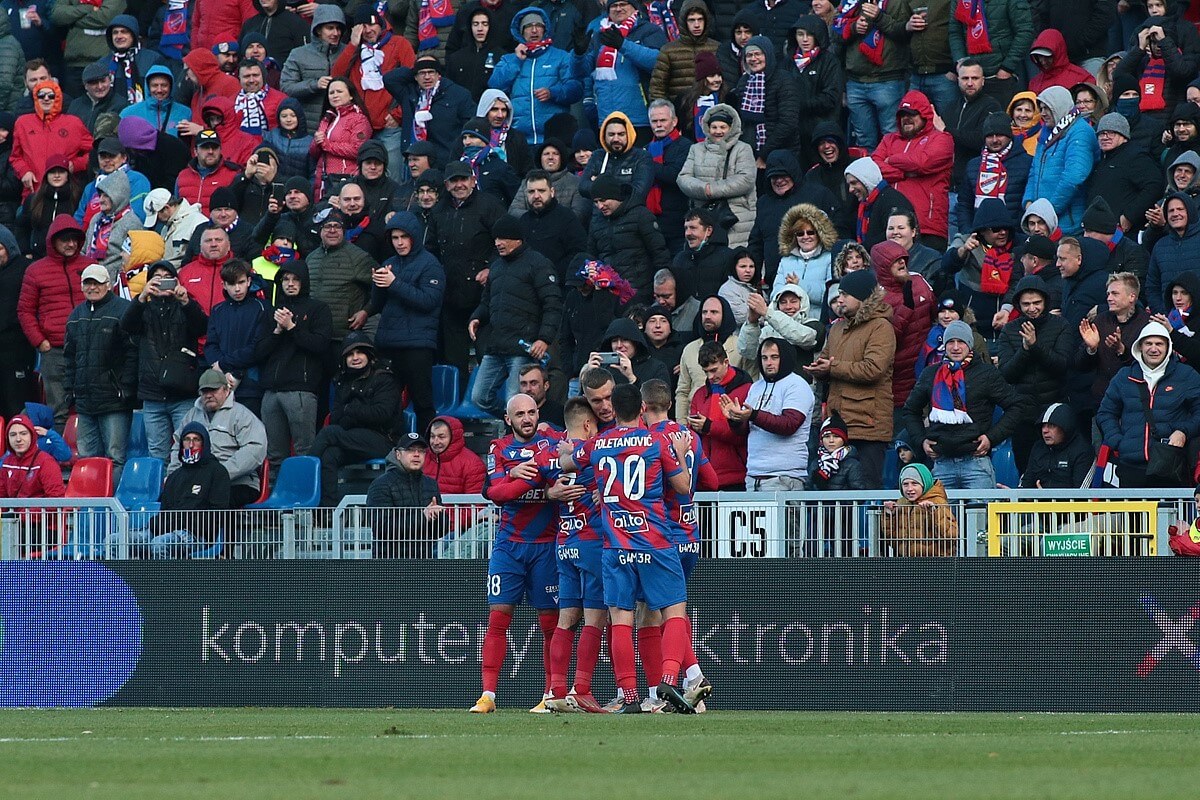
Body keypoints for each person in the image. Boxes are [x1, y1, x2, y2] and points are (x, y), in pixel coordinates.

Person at [555, 382, 697, 713]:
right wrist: (678, 455)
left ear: (614, 411)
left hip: (615, 546)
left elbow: (567, 462)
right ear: (643, 409)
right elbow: (683, 487)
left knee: (621, 618)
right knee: (673, 611)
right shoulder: (656, 440)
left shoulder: (597, 443)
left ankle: (629, 696)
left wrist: (565, 449)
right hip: (655, 540)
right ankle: (668, 679)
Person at [470, 392, 561, 714]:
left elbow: (560, 479)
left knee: (551, 625)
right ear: (508, 420)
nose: (527, 418)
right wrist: (536, 480)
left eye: (532, 411)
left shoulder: (554, 443)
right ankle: (488, 695)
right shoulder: (499, 448)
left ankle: (549, 695)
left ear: (539, 413)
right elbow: (496, 494)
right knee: (497, 619)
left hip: (547, 547)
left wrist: (524, 474)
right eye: (519, 414)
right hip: (509, 546)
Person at [902, 319, 1027, 490]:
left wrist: (992, 438)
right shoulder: (930, 374)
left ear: (970, 344)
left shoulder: (986, 374)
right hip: (941, 463)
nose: (955, 347)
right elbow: (910, 410)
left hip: (977, 463)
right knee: (943, 518)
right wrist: (921, 441)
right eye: (950, 342)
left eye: (960, 342)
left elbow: (1016, 406)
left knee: (980, 516)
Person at [541, 396, 607, 713]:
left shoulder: (555, 457)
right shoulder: (591, 457)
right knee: (596, 618)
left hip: (563, 543)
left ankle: (555, 691)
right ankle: (581, 689)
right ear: (586, 424)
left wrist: (548, 491)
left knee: (566, 620)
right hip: (591, 544)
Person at [805, 269, 895, 487]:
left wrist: (832, 367)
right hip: (839, 426)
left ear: (862, 297)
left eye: (845, 294)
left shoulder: (881, 327)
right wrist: (819, 369)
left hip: (868, 427)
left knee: (867, 489)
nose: (840, 299)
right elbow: (827, 360)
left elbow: (873, 369)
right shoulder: (837, 328)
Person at [467, 214, 561, 416]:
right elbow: (487, 301)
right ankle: (512, 422)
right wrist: (476, 317)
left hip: (523, 348)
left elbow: (552, 304)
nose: (497, 243)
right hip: (496, 346)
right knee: (479, 397)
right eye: (495, 239)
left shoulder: (538, 264)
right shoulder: (496, 266)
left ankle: (517, 431)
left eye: (502, 238)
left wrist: (544, 339)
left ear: (517, 239)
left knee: (516, 400)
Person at [121, 261, 208, 461]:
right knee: (157, 453)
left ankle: (181, 490)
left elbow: (202, 328)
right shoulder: (143, 308)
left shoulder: (185, 305)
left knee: (188, 450)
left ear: (176, 280)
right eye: (156, 277)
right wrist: (142, 297)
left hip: (182, 392)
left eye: (166, 277)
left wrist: (186, 302)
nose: (161, 282)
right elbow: (126, 326)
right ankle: (158, 491)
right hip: (152, 394)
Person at [254, 256, 331, 483]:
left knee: (304, 451)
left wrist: (292, 328)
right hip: (271, 391)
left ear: (304, 281)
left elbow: (320, 345)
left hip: (301, 390)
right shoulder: (271, 311)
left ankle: (305, 509)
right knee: (275, 455)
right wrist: (278, 331)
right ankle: (280, 508)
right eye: (285, 279)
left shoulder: (318, 309)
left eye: (295, 279)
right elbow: (258, 351)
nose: (289, 283)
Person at [1097, 320, 1200, 488]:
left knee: (1169, 513)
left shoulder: (1187, 375)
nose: (1154, 349)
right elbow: (1105, 413)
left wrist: (1183, 431)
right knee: (1133, 515)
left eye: (1159, 343)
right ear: (1140, 347)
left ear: (1168, 347)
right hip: (1130, 466)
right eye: (1148, 343)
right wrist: (1117, 441)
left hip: (1170, 464)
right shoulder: (1124, 376)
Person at [426, 161, 505, 377]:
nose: (459, 184)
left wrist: (491, 268)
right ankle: (457, 404)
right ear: (446, 184)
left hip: (484, 294)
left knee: (487, 354)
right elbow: (430, 249)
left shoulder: (490, 205)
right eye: (454, 180)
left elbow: (505, 241)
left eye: (463, 179)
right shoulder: (438, 211)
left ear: (473, 180)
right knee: (454, 358)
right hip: (450, 294)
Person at [370, 212, 445, 434]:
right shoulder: (389, 263)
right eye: (395, 238)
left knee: (422, 403)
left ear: (415, 237)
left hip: (417, 345)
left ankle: (428, 450)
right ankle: (395, 449)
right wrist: (378, 282)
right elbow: (378, 303)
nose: (399, 242)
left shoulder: (430, 264)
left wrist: (394, 283)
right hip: (388, 344)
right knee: (387, 403)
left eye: (404, 237)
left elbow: (428, 301)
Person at [63, 263, 136, 483]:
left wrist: (126, 388)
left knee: (115, 457)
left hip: (114, 400)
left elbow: (132, 353)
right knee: (87, 458)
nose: (92, 287)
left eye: (97, 283)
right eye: (88, 283)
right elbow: (69, 357)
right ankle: (92, 510)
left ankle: (113, 510)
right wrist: (70, 391)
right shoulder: (76, 315)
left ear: (107, 285)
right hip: (85, 401)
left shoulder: (123, 309)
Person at [17, 215, 90, 430]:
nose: (71, 244)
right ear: (52, 241)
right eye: (65, 239)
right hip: (55, 350)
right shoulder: (35, 270)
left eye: (74, 239)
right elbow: (25, 311)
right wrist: (40, 342)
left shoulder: (90, 266)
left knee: (92, 406)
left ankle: (89, 458)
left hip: (90, 347)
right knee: (58, 409)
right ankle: (60, 459)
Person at [994, 276, 1075, 471]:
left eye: (1037, 303)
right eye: (1026, 304)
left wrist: (1035, 346)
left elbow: (1062, 365)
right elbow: (1006, 374)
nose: (1032, 308)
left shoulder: (1060, 325)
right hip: (1023, 415)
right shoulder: (1010, 330)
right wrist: (1025, 349)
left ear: (1045, 301)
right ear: (1018, 305)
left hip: (1055, 412)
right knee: (1027, 470)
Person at [311, 333, 401, 507]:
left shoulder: (384, 379)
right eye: (350, 355)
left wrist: (351, 411)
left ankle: (305, 479)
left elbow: (382, 414)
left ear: (369, 355)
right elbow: (336, 415)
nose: (355, 358)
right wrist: (350, 416)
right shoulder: (341, 381)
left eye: (359, 352)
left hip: (384, 440)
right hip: (354, 438)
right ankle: (327, 512)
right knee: (330, 456)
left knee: (329, 433)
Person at [331, 7, 416, 180]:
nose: (368, 30)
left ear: (380, 23)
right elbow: (337, 77)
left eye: (372, 24)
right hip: (360, 126)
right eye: (363, 26)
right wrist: (353, 44)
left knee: (393, 176)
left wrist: (398, 114)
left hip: (389, 126)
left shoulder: (399, 44)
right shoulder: (354, 49)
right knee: (361, 177)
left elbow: (413, 80)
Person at [168, 368, 267, 509]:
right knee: (168, 500)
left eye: (213, 390)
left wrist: (218, 475)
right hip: (195, 483)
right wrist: (174, 476)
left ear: (226, 390)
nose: (208, 395)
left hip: (238, 483)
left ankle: (199, 532)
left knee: (205, 503)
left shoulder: (242, 415)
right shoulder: (191, 416)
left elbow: (255, 449)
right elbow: (178, 446)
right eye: (204, 391)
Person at [724, 337, 815, 490]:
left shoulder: (797, 385)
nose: (768, 362)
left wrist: (753, 415)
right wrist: (735, 419)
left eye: (774, 357)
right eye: (764, 358)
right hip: (753, 476)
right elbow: (746, 430)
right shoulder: (756, 387)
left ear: (784, 358)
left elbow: (789, 425)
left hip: (784, 477)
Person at [872, 90, 955, 251]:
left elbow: (923, 162)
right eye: (903, 114)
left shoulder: (942, 138)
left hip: (927, 227)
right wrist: (903, 173)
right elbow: (874, 168)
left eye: (912, 114)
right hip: (892, 228)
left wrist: (891, 160)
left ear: (924, 115)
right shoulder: (889, 139)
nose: (906, 118)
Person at [487, 7, 580, 144]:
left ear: (545, 29)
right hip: (520, 139)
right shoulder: (509, 59)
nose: (534, 30)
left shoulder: (561, 57)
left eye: (538, 26)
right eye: (529, 26)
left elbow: (575, 89)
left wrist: (552, 93)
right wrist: (516, 60)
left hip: (554, 139)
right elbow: (494, 86)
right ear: (521, 32)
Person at [580, 0, 667, 136]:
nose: (618, 9)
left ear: (634, 8)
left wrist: (622, 45)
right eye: (614, 6)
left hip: (640, 120)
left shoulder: (649, 30)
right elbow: (582, 71)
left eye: (623, 4)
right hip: (607, 121)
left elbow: (658, 62)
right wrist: (577, 54)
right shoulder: (599, 35)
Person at [1022, 86, 1101, 236]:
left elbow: (1074, 177)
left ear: (1059, 106)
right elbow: (1034, 171)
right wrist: (1029, 202)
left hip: (1068, 224)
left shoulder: (1080, 131)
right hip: (1043, 222)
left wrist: (1048, 211)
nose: (1043, 113)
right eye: (1041, 108)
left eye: (1047, 108)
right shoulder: (1046, 133)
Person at [676, 104, 756, 248]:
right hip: (702, 216)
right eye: (714, 127)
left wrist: (712, 190)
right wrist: (703, 189)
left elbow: (746, 179)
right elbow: (683, 178)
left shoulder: (743, 149)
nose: (718, 131)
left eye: (723, 127)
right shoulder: (696, 149)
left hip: (736, 217)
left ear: (731, 128)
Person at [835, 0, 908, 150]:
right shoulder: (850, 2)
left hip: (888, 80)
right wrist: (853, 28)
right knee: (863, 142)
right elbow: (834, 34)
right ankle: (866, 174)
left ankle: (891, 173)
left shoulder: (897, 2)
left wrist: (879, 17)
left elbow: (904, 33)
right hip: (855, 81)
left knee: (892, 137)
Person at [871, 240, 935, 412]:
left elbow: (935, 316)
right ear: (883, 266)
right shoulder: (876, 299)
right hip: (898, 378)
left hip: (926, 369)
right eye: (895, 260)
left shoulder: (919, 281)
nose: (901, 262)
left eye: (903, 258)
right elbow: (886, 340)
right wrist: (906, 307)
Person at [585, 174, 668, 304]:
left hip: (639, 293)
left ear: (616, 196)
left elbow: (659, 254)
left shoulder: (641, 215)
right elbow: (591, 256)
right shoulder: (596, 222)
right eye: (596, 202)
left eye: (603, 200)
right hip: (607, 294)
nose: (600, 206)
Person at [383, 54, 477, 168]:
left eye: (431, 72)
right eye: (422, 73)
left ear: (438, 74)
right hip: (413, 159)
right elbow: (389, 79)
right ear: (415, 76)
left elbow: (469, 126)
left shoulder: (458, 94)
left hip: (445, 161)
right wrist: (415, 68)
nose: (427, 77)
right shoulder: (409, 92)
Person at [682, 339, 750, 490]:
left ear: (726, 362)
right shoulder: (700, 394)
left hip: (737, 476)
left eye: (713, 370)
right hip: (704, 477)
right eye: (706, 372)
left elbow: (742, 435)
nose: (710, 376)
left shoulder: (747, 390)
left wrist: (708, 427)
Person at [305, 209, 374, 359]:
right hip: (315, 337)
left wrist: (366, 311)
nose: (332, 230)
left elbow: (381, 287)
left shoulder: (358, 257)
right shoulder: (311, 258)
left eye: (337, 226)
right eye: (327, 226)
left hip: (344, 339)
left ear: (343, 230)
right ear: (320, 231)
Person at [365, 432, 445, 558]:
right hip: (389, 563)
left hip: (423, 561)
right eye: (410, 450)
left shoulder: (431, 484)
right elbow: (381, 528)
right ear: (398, 454)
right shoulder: (380, 485)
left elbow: (439, 532)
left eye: (421, 451)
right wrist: (422, 516)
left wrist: (438, 517)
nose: (417, 454)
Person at [10, 80, 92, 197]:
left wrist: (75, 165)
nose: (46, 98)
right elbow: (15, 157)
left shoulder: (74, 123)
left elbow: (93, 152)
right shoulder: (23, 123)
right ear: (35, 98)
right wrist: (24, 171)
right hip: (33, 192)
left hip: (65, 194)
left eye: (51, 95)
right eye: (41, 95)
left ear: (58, 98)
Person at [727, 35, 799, 169]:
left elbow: (788, 122)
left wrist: (764, 155)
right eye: (749, 55)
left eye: (758, 54)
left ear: (768, 54)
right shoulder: (744, 81)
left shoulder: (784, 80)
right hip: (749, 154)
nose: (753, 59)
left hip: (780, 152)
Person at [955, 112, 1032, 236]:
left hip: (1014, 237)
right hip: (977, 236)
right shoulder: (973, 165)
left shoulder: (1027, 162)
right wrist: (968, 232)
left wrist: (1017, 235)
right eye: (990, 136)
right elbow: (964, 204)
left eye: (1000, 135)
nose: (995, 140)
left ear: (1009, 135)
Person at [1086, 113, 1162, 237]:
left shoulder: (1135, 156)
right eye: (1101, 133)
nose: (1105, 137)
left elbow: (1154, 185)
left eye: (1111, 133)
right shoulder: (1103, 160)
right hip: (1102, 231)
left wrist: (1130, 216)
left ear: (1124, 136)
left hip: (1124, 234)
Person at [674, 294, 744, 423]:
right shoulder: (690, 349)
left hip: (730, 421)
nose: (708, 316)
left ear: (725, 315)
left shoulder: (740, 347)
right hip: (695, 420)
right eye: (704, 312)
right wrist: (682, 425)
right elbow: (683, 391)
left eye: (714, 312)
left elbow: (751, 385)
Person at [281, 5, 349, 132]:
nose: (336, 33)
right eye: (330, 28)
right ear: (318, 30)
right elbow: (286, 87)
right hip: (307, 127)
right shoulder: (298, 54)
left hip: (340, 127)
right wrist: (314, 84)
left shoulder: (347, 52)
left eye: (338, 28)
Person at [515, 168, 588, 279]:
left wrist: (550, 273)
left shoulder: (566, 217)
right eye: (531, 191)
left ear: (552, 192)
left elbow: (578, 253)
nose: (536, 196)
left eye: (541, 190)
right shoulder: (523, 221)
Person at [771, 203, 837, 321]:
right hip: (787, 323)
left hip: (818, 321)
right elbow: (774, 294)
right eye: (800, 233)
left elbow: (829, 294)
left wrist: (798, 286)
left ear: (819, 234)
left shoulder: (830, 258)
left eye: (810, 232)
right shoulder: (786, 261)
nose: (805, 237)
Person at [578, 111, 653, 208]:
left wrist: (598, 183)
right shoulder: (598, 156)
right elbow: (583, 187)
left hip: (630, 217)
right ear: (604, 136)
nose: (616, 139)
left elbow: (638, 192)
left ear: (628, 134)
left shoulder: (642, 157)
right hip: (600, 218)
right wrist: (624, 187)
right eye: (611, 134)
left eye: (621, 134)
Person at [880, 463, 958, 557]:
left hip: (936, 564)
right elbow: (892, 540)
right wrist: (890, 515)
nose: (909, 489)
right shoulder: (901, 502)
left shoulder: (938, 502)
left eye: (915, 483)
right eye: (905, 484)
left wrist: (935, 512)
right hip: (908, 563)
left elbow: (950, 537)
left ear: (924, 483)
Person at [648, 0, 717, 104]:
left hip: (711, 111)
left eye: (700, 19)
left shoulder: (717, 48)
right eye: (691, 20)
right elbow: (657, 89)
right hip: (679, 113)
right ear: (684, 21)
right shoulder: (668, 51)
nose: (697, 25)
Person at [644, 99, 690, 251]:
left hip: (678, 221)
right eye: (654, 121)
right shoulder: (646, 149)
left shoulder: (686, 146)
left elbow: (674, 176)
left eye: (663, 120)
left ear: (674, 121)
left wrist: (647, 164)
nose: (658, 125)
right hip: (652, 221)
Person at [844, 156, 914, 250]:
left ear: (867, 180)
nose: (850, 189)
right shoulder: (866, 204)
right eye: (849, 184)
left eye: (854, 183)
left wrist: (861, 250)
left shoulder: (893, 201)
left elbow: (892, 239)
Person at [1018, 403, 1094, 490]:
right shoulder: (1038, 447)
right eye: (1043, 426)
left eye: (1051, 426)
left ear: (1066, 427)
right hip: (1039, 502)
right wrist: (1017, 495)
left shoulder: (1083, 451)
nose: (1045, 430)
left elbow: (1082, 494)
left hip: (1069, 503)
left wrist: (1050, 498)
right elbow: (1027, 482)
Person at [1146, 192, 1200, 309]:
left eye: (1180, 209)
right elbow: (1152, 287)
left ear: (1190, 212)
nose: (1175, 214)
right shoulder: (1160, 246)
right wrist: (1163, 312)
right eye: (1171, 211)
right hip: (1169, 320)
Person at [174, 130, 242, 216]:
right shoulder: (183, 176)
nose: (210, 151)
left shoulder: (233, 174)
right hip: (188, 227)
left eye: (214, 147)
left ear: (220, 149)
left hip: (219, 228)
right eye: (205, 147)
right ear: (195, 151)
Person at [672, 209, 735, 302]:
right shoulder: (680, 259)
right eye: (686, 228)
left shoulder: (727, 257)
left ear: (709, 231)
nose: (688, 233)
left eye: (693, 228)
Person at [0, 413, 63, 499]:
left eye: (23, 433)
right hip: (11, 512)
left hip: (37, 512)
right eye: (13, 435)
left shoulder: (46, 462)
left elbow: (56, 500)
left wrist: (26, 512)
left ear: (32, 436)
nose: (18, 439)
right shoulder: (6, 462)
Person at [423, 414, 486, 495]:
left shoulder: (473, 464)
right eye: (432, 436)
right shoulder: (422, 458)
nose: (435, 442)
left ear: (454, 437)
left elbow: (476, 505)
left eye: (441, 437)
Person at [808, 411, 868, 491]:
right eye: (827, 436)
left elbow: (858, 494)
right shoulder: (815, 463)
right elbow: (808, 489)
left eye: (836, 436)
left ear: (844, 440)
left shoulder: (852, 464)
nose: (831, 440)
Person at [1027, 28, 1096, 96]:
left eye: (1048, 57)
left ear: (1058, 52)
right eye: (1039, 56)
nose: (1043, 62)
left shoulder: (1083, 78)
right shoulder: (1034, 83)